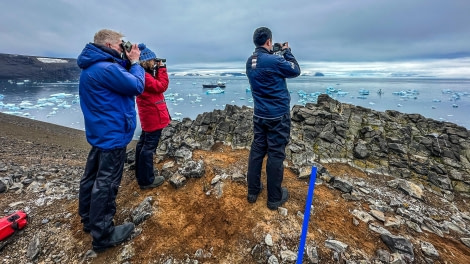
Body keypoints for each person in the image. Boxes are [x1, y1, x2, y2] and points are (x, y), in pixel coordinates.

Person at [77, 29, 144, 252]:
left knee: (92, 176)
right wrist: (135, 63)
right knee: (107, 183)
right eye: (119, 46)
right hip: (113, 135)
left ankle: (89, 219)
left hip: (101, 132)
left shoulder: (95, 66)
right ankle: (103, 234)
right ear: (108, 45)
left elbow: (119, 80)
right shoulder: (106, 68)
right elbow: (136, 86)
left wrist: (125, 60)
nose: (122, 49)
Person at [245, 26, 301, 210]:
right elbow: (295, 70)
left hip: (259, 114)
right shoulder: (275, 60)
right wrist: (286, 52)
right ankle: (274, 198)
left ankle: (253, 191)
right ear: (269, 41)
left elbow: (264, 63)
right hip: (277, 115)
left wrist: (275, 53)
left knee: (257, 150)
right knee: (276, 154)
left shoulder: (250, 61)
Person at [134, 43, 170, 189]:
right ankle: (147, 180)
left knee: (142, 145)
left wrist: (155, 70)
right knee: (148, 148)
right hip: (153, 117)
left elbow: (155, 85)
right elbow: (161, 86)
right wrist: (162, 69)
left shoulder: (142, 74)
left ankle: (141, 174)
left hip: (149, 116)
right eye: (153, 61)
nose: (155, 63)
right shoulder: (144, 76)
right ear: (147, 61)